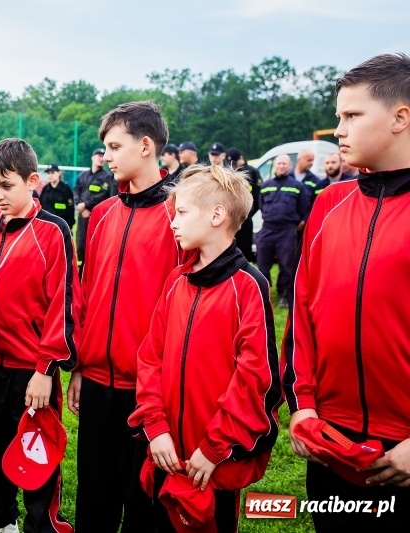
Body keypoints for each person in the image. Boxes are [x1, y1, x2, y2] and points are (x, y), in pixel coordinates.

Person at [283, 52, 410, 533]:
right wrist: (304, 408)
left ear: (401, 118)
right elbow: (301, 313)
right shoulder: (329, 204)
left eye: (352, 115)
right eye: (339, 116)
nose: (339, 128)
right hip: (330, 441)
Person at [129, 164, 281, 533]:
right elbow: (150, 358)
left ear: (217, 215)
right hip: (166, 454)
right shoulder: (176, 280)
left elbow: (255, 381)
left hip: (212, 465)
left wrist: (214, 448)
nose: (173, 223)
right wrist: (155, 425)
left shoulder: (249, 287)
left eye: (181, 212)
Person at [0, 138, 81, 533]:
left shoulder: (53, 232)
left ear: (32, 182)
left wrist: (46, 370)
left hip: (33, 368)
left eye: (6, 186)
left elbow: (65, 305)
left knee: (37, 448)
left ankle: (41, 523)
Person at [67, 101, 182, 532]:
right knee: (93, 498)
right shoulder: (100, 215)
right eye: (106, 147)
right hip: (97, 385)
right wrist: (80, 365)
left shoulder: (180, 216)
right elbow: (88, 294)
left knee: (144, 505)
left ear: (146, 146)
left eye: (115, 146)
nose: (107, 157)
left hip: (151, 393)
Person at [256, 154, 310, 309]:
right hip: (267, 229)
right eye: (278, 163)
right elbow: (261, 205)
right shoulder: (266, 185)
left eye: (284, 164)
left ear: (290, 166)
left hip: (286, 230)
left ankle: (285, 295)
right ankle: (264, 293)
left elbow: (304, 209)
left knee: (287, 265)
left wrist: (300, 223)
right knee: (262, 264)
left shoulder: (297, 186)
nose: (281, 166)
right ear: (275, 166)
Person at [73, 148, 113, 274]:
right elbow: (76, 191)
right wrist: (80, 205)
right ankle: (79, 273)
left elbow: (102, 195)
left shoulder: (106, 177)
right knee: (80, 245)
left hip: (96, 216)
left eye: (102, 156)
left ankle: (92, 273)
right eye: (98, 155)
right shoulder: (83, 176)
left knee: (94, 245)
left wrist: (85, 205)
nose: (101, 158)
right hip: (82, 216)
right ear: (92, 158)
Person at [226, 147, 261, 262]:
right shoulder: (228, 172)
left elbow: (257, 196)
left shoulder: (252, 172)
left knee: (245, 250)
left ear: (240, 159)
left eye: (235, 162)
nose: (233, 165)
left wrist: (248, 213)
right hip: (231, 219)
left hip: (246, 218)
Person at [39, 163, 75, 228]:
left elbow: (70, 210)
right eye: (48, 173)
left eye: (52, 173)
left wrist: (68, 227)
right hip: (46, 226)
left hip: (61, 227)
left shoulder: (66, 189)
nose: (50, 175)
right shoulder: (45, 189)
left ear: (59, 173)